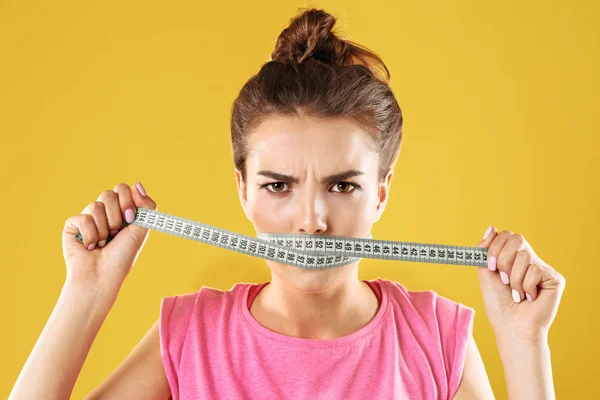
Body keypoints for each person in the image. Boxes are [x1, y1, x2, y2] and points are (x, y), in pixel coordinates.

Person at [10, 8, 566, 400]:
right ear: (242, 189)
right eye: (278, 185)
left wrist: (524, 344)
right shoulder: (192, 337)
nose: (311, 222)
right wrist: (84, 294)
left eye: (342, 185)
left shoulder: (436, 339)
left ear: (382, 191)